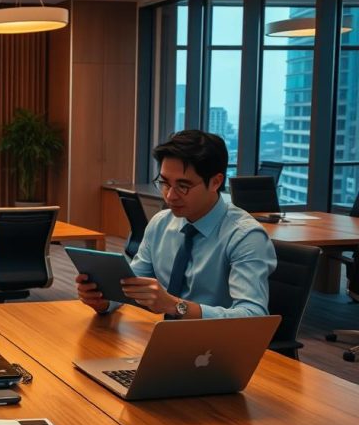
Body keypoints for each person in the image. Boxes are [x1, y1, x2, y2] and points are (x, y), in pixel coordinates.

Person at [76, 129, 276, 319]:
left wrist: (175, 306)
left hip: (214, 341)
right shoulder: (160, 224)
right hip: (161, 333)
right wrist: (103, 300)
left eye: (183, 186)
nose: (170, 196)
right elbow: (131, 283)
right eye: (165, 183)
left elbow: (253, 315)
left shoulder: (245, 237)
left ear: (215, 182)